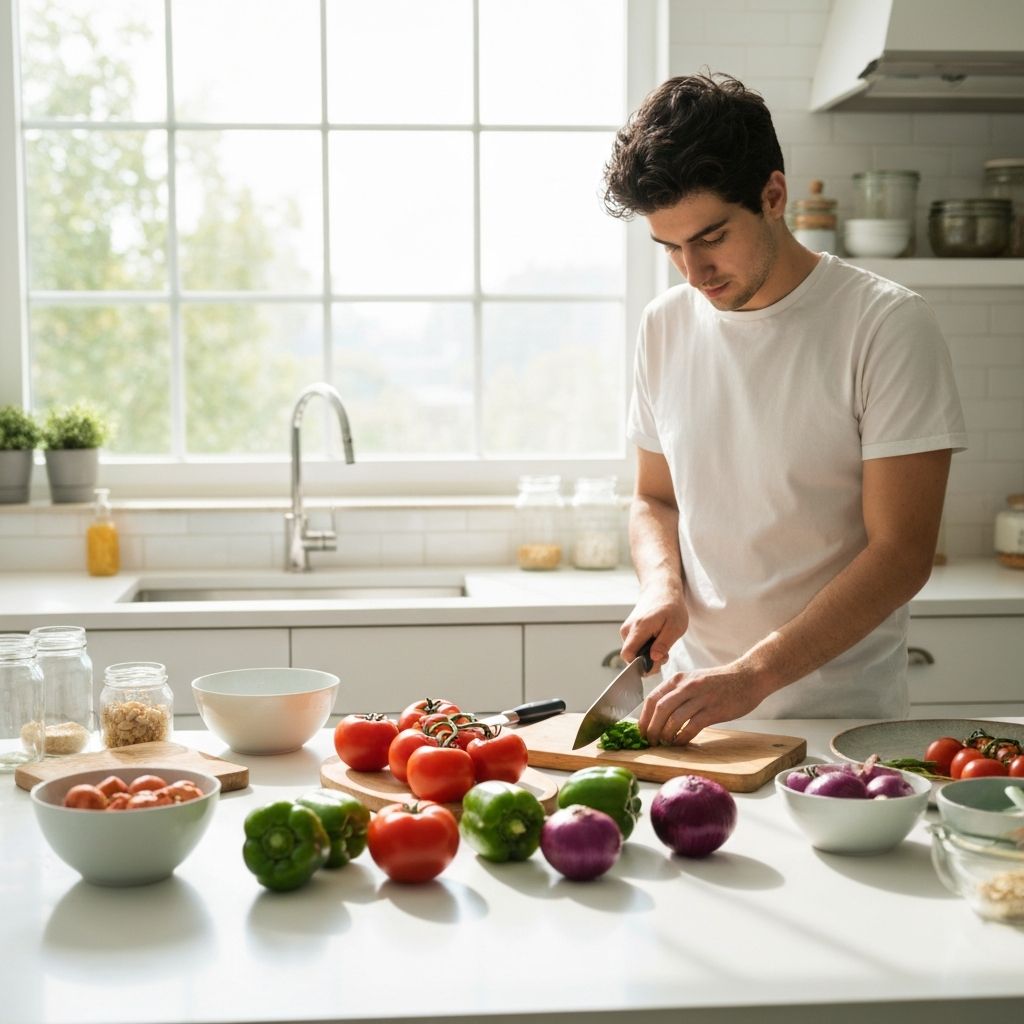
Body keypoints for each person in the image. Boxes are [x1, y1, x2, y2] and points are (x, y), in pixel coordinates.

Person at [602, 73, 967, 746]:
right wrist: (662, 586)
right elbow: (655, 498)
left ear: (773, 195)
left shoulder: (886, 325)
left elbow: (902, 554)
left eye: (711, 237)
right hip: (691, 714)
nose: (693, 271)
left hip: (842, 724)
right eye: (671, 248)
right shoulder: (664, 325)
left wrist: (753, 675)